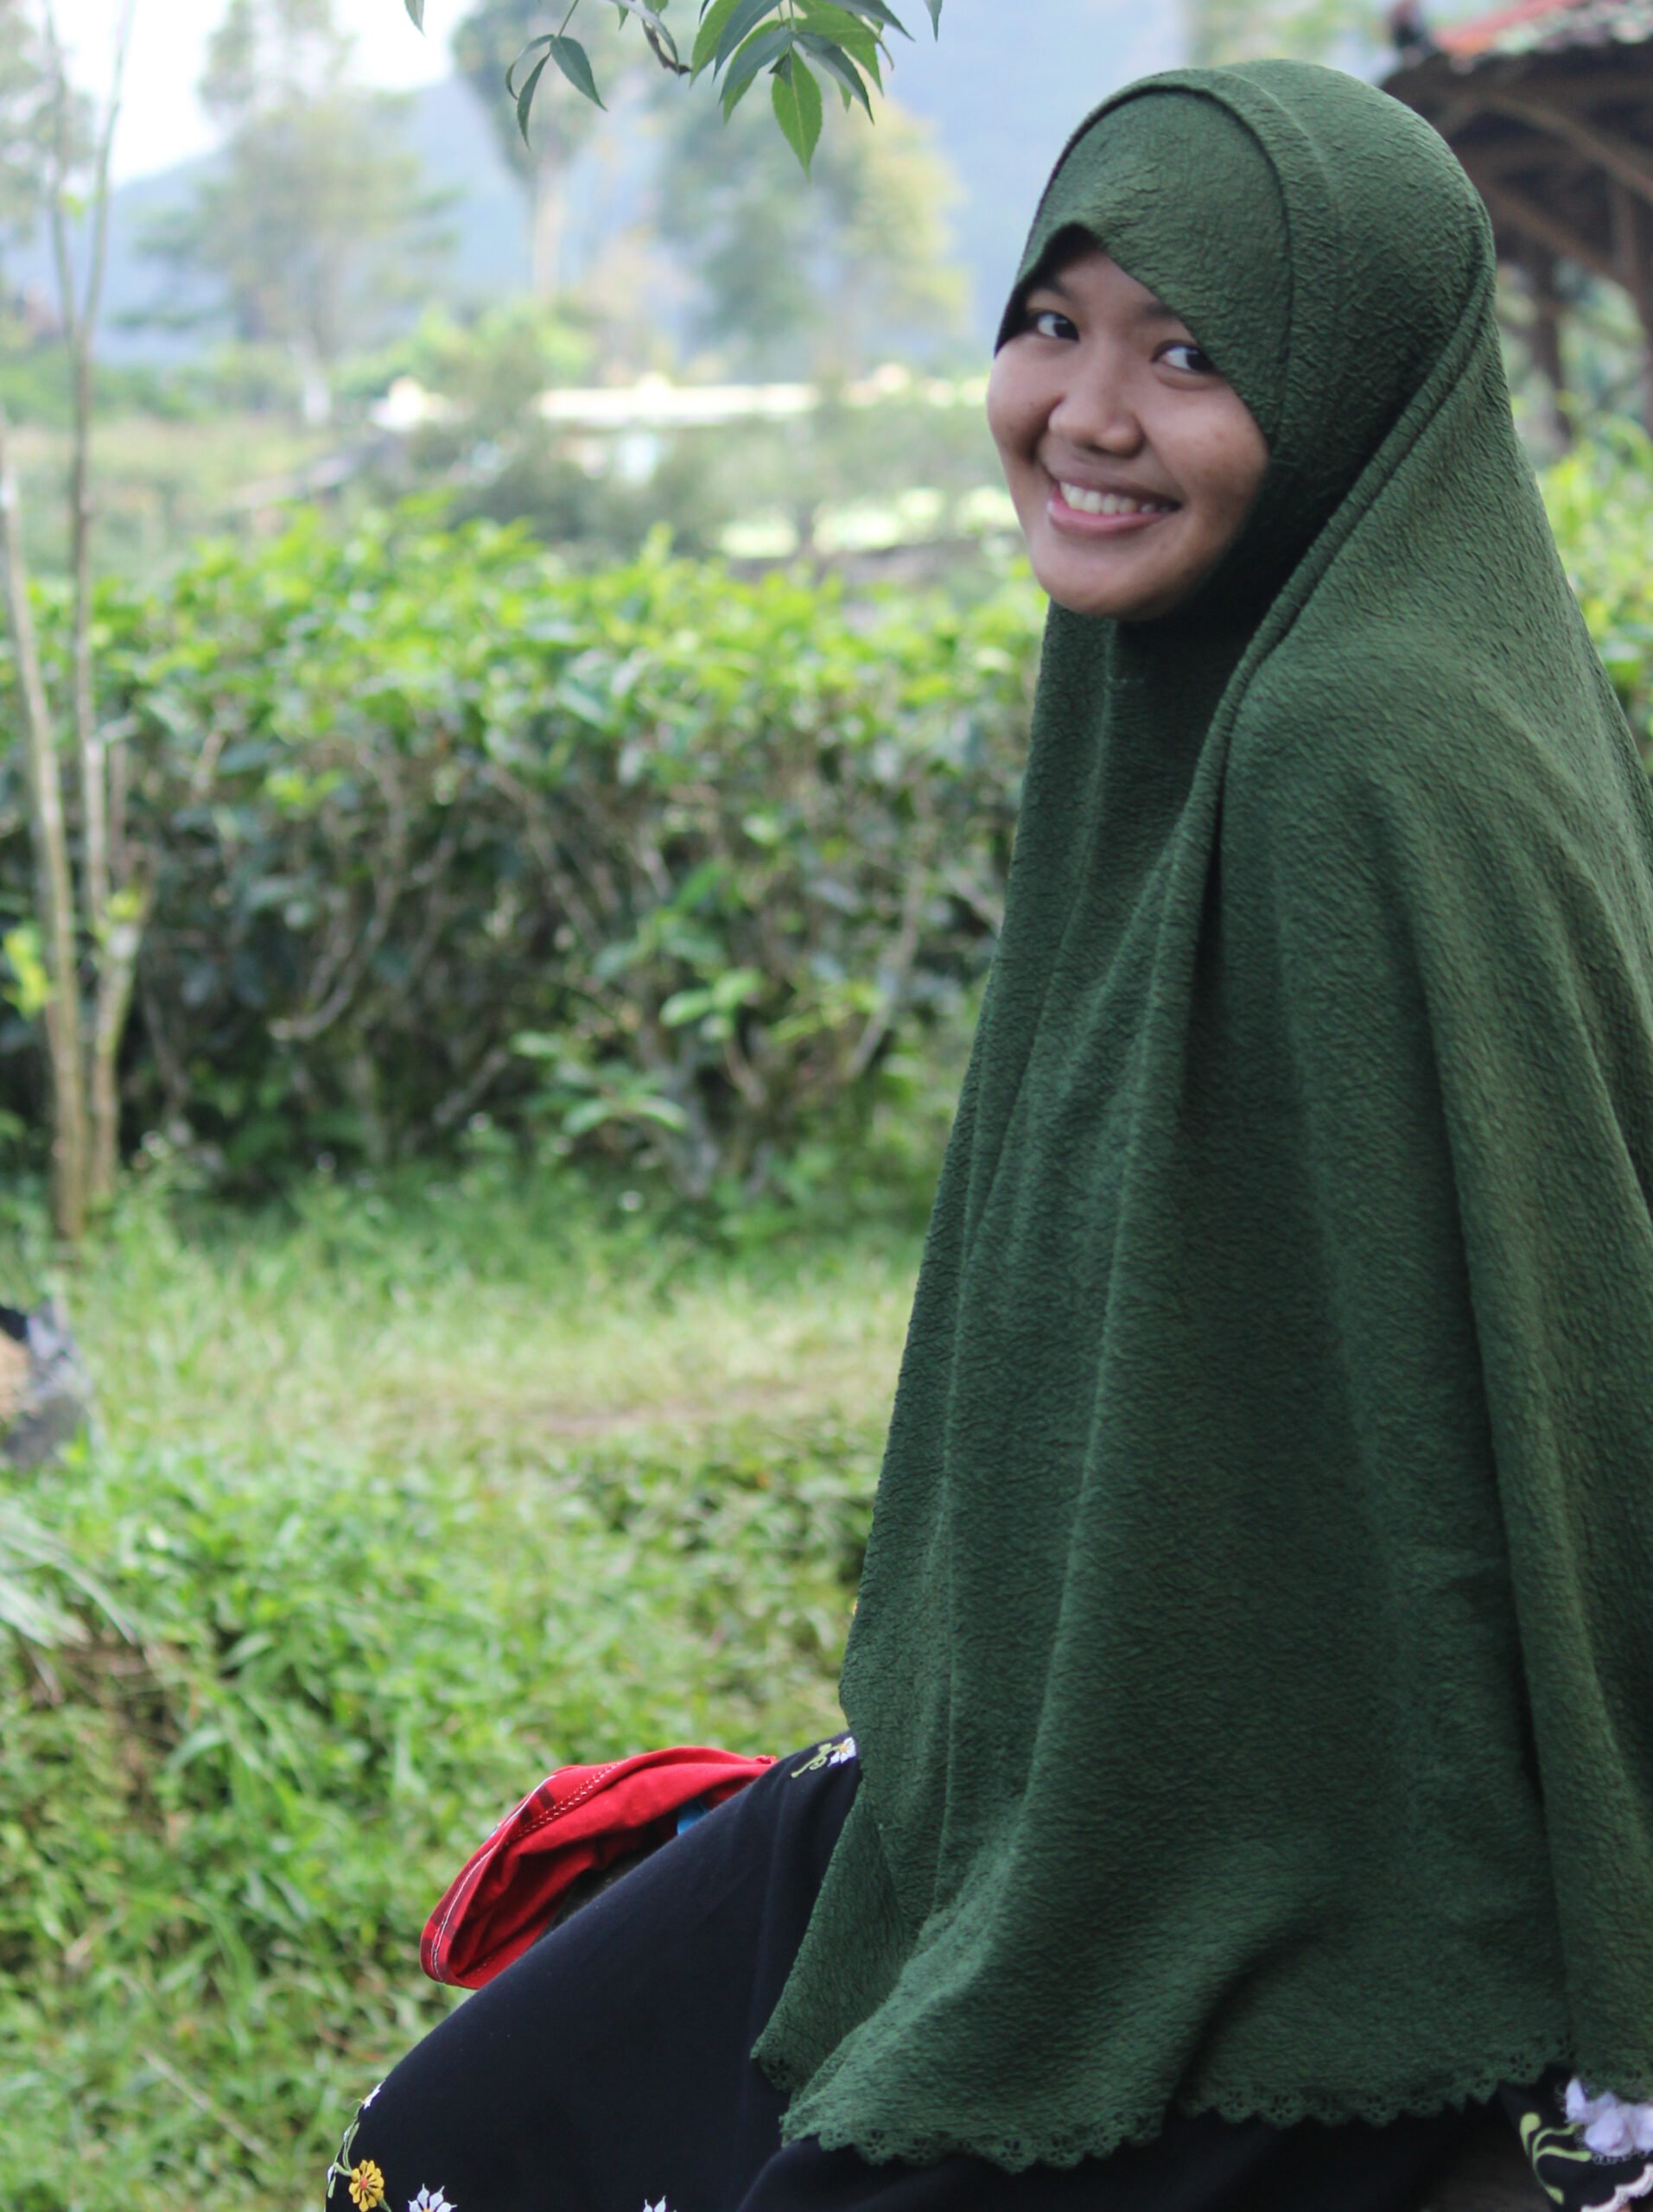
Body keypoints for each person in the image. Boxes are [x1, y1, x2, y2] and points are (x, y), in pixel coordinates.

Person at [323, 59, 1653, 2212]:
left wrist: (1618, 2013)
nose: (1086, 414)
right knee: (458, 2144)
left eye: (1193, 353)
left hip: (1281, 1884)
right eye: (1052, 323)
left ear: (1351, 388)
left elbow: (1570, 1361)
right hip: (1046, 1783)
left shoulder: (1356, 750)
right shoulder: (1217, 679)